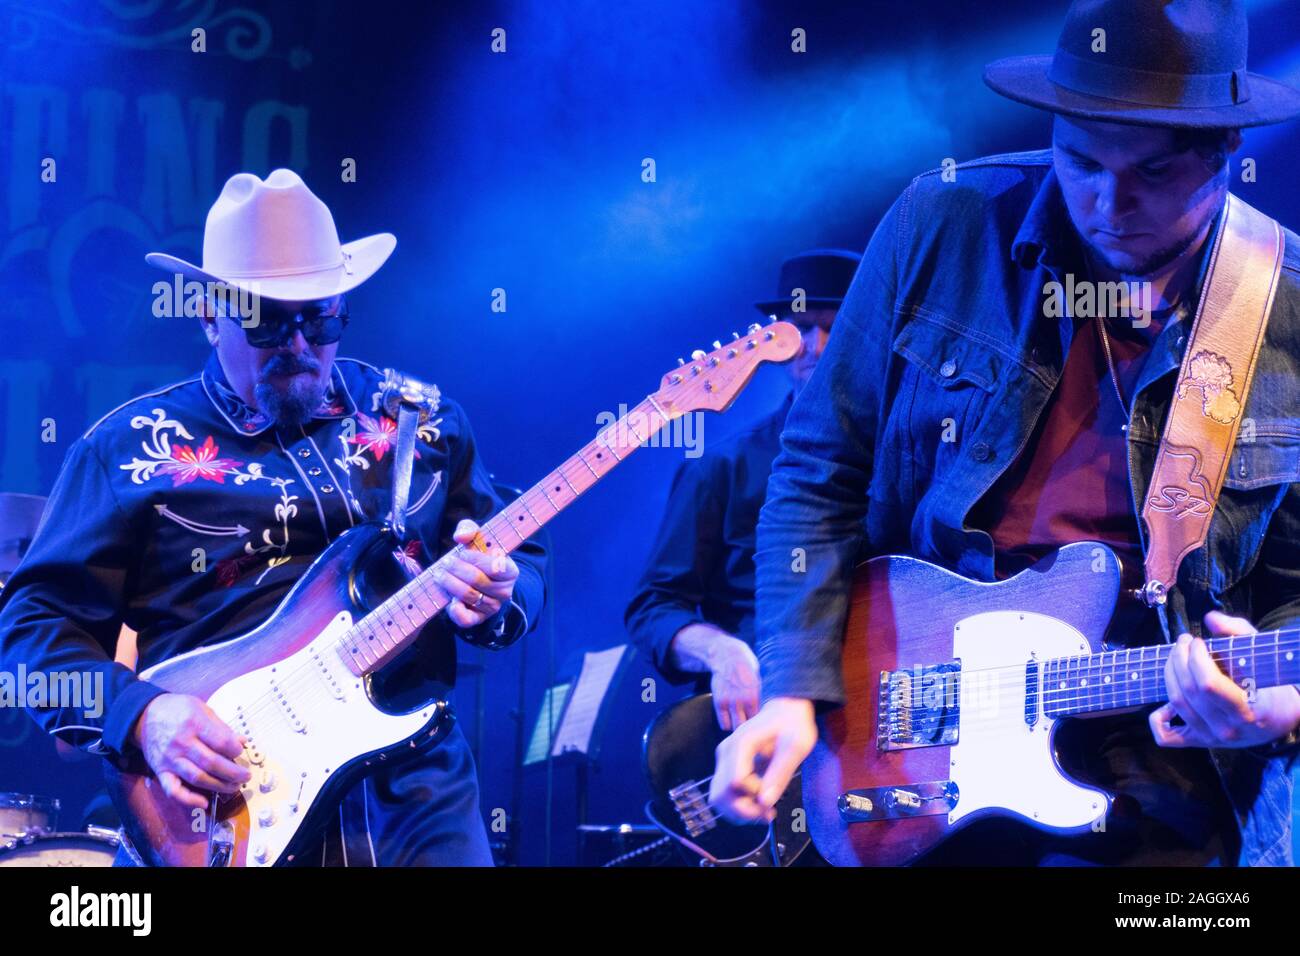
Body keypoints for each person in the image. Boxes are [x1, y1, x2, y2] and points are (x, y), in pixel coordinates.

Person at [711, 0, 1300, 865]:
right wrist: (795, 692)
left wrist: (1276, 707)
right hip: (920, 737)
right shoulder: (943, 223)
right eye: (1081, 160)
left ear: (1223, 155)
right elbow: (817, 471)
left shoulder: (1282, 308)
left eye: (1153, 173)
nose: (1108, 203)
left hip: (1174, 780)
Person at [0, 169, 546, 866]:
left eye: (319, 319)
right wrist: (141, 715)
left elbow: (520, 565)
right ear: (206, 312)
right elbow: (30, 636)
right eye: (263, 320)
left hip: (419, 797)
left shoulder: (422, 421)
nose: (296, 344)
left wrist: (500, 594)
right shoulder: (127, 450)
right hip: (226, 804)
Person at [625, 250, 859, 733]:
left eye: (836, 327)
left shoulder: (905, 458)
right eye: (800, 330)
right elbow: (654, 607)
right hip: (763, 722)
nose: (817, 346)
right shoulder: (721, 466)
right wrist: (720, 650)